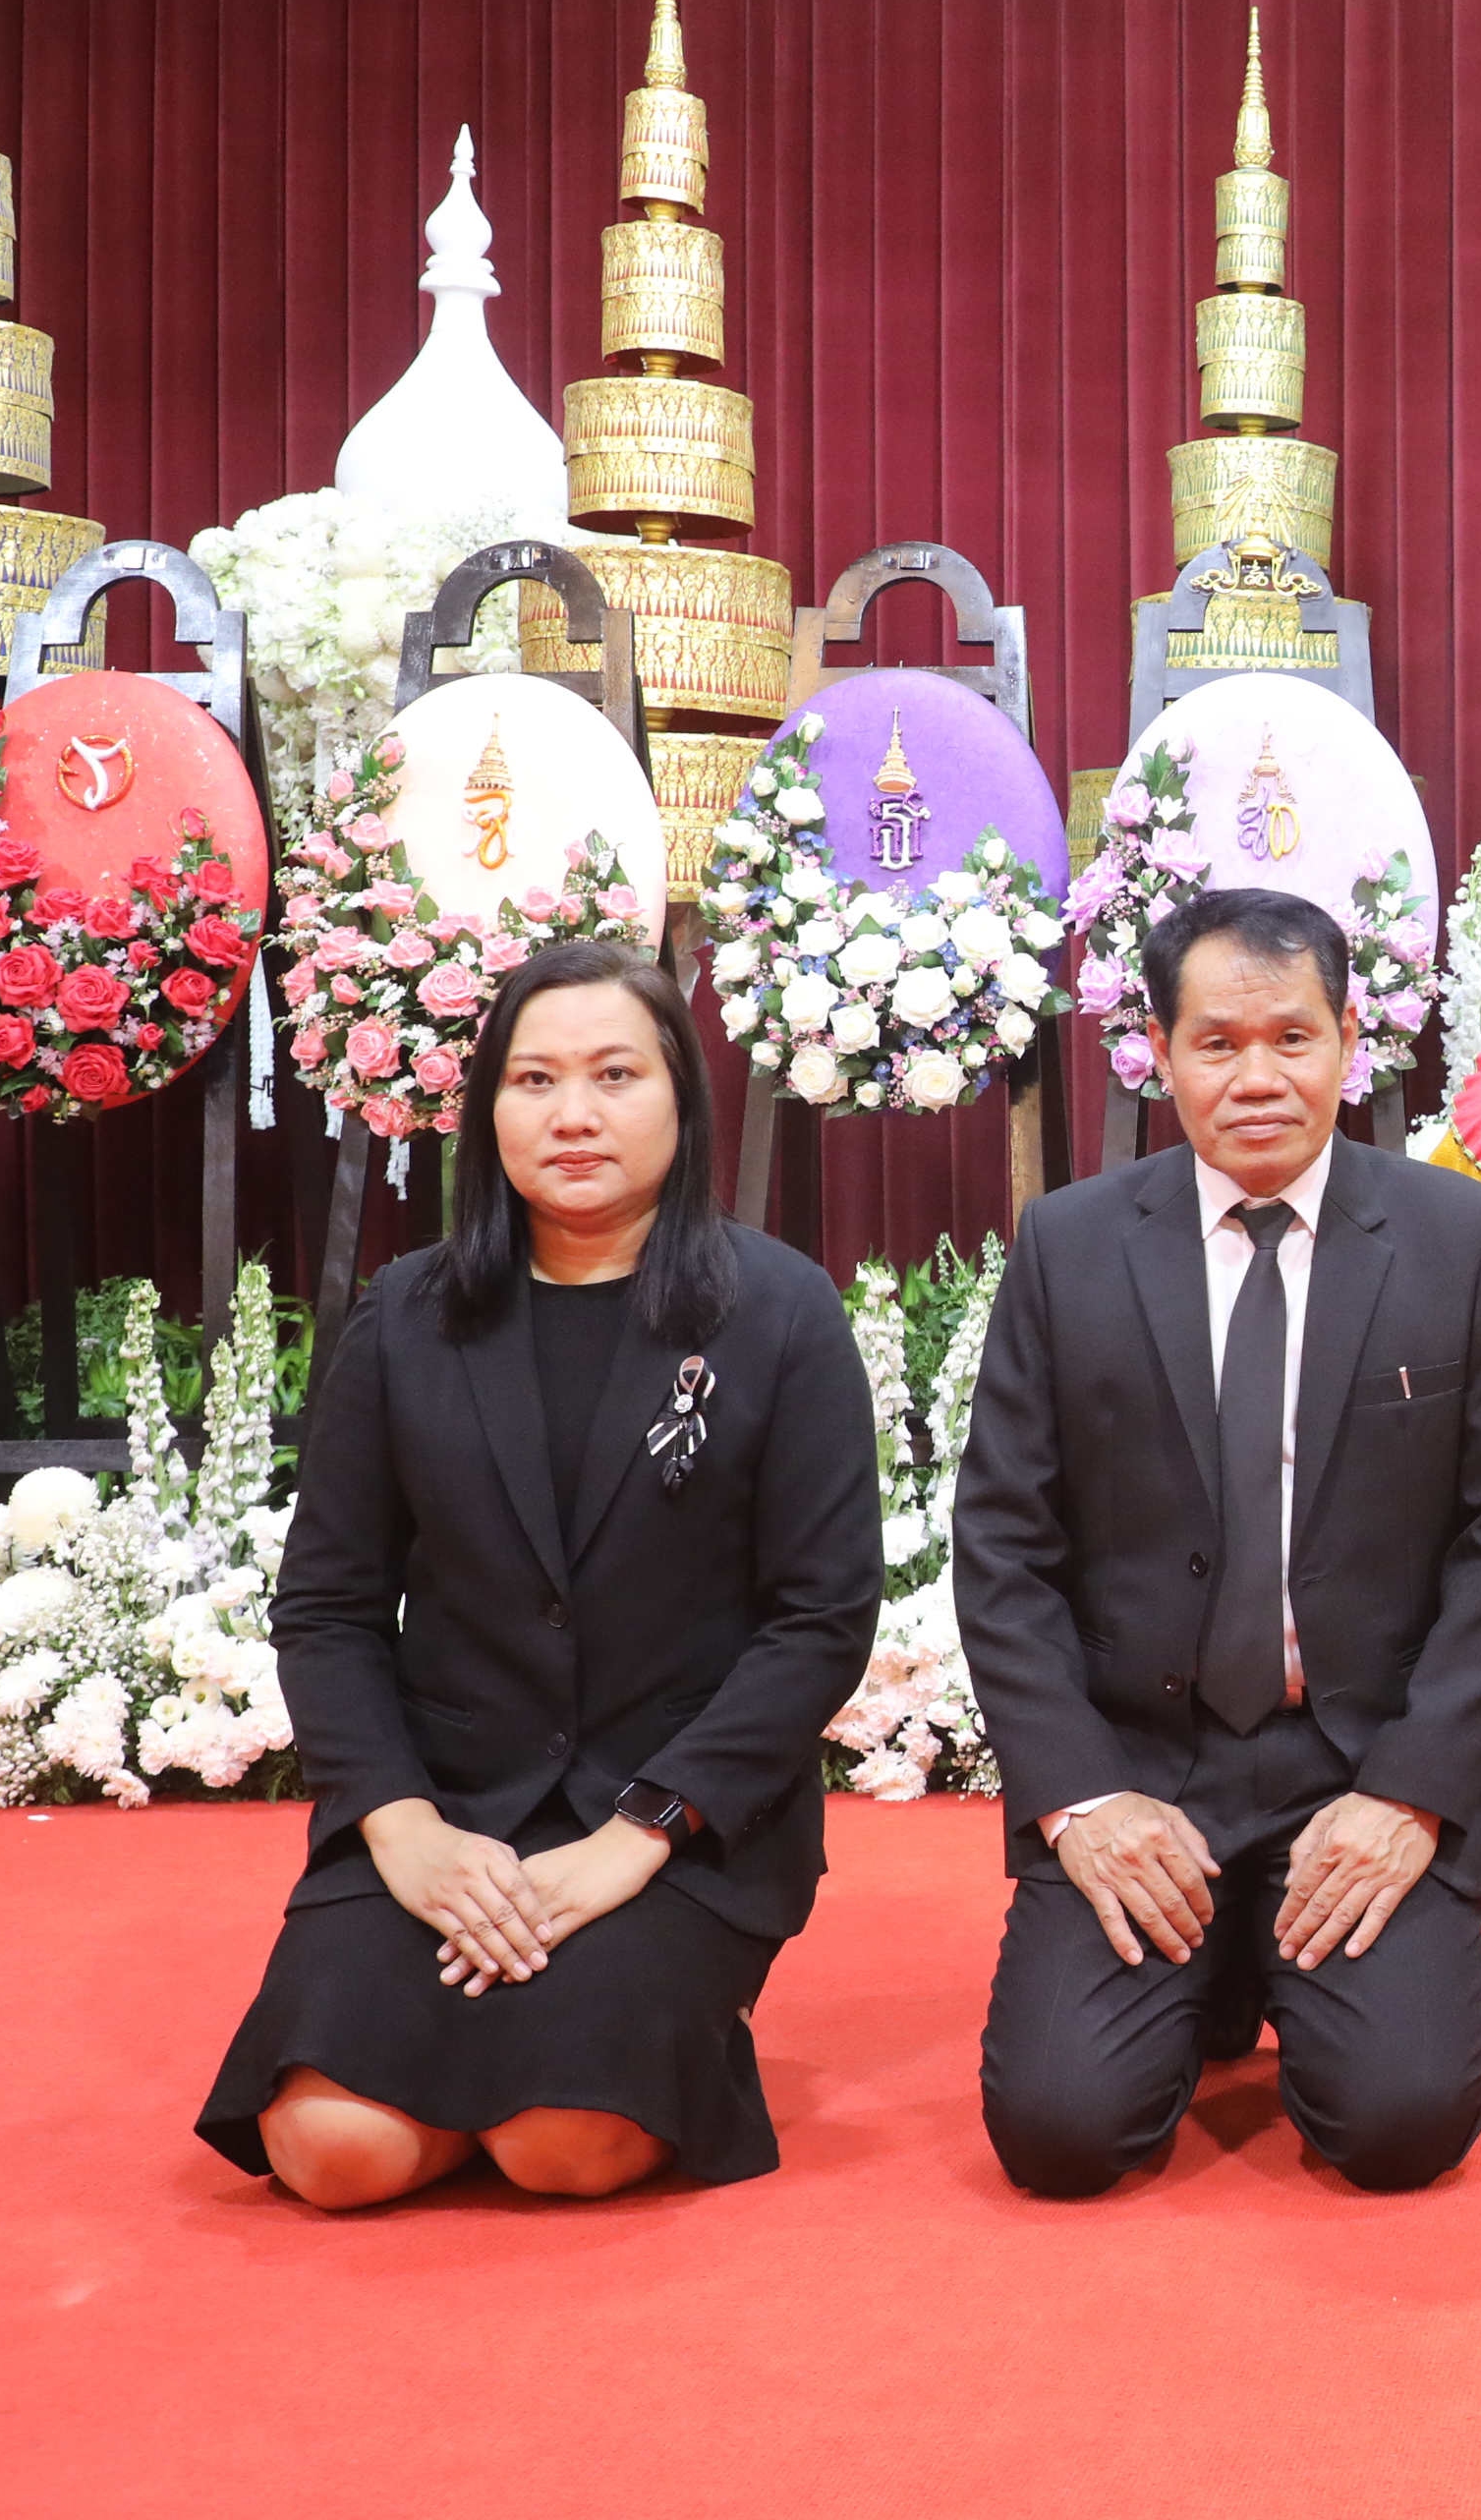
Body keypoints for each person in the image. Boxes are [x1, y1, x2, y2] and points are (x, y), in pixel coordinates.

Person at [198, 940, 882, 2206]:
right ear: (489, 1111)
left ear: (682, 1095)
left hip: (673, 1829)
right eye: (534, 1080)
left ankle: (612, 2042)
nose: (574, 1115)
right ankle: (476, 2055)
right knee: (335, 2155)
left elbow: (819, 1618)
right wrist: (400, 1828)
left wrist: (640, 1834)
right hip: (445, 1809)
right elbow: (331, 1608)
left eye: (615, 1075)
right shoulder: (407, 1315)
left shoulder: (777, 1311)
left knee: (560, 2144)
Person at [953, 885, 1481, 2196]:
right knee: (1061, 2137)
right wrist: (1082, 1798)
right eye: (1218, 1043)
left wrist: (1411, 1792)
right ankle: (1218, 1960)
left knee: (1399, 2128)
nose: (1259, 1076)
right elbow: (1003, 1547)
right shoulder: (1071, 1248)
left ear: (1351, 1039)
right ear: (1158, 1054)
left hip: (1360, 1761)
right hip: (1140, 1767)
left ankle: (1272, 1951)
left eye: (1293, 1037)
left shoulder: (1460, 1242)